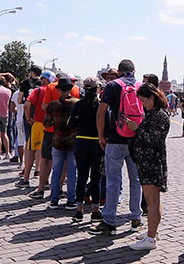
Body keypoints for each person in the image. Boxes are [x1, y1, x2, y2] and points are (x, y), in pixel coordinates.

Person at [92, 60, 143, 235]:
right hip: (136, 140)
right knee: (136, 180)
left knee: (114, 180)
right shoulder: (141, 85)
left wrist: (101, 135)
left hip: (115, 138)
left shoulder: (113, 85)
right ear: (134, 71)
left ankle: (109, 221)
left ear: (119, 71)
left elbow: (101, 113)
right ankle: (136, 217)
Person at [130, 83, 171, 250]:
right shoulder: (153, 113)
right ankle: (152, 231)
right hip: (148, 162)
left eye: (143, 100)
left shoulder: (159, 116)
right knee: (153, 201)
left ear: (152, 98)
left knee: (152, 201)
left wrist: (136, 129)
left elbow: (154, 139)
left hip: (152, 163)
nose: (142, 104)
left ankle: (151, 238)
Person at [68, 77, 104, 223]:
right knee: (96, 179)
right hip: (97, 143)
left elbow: (71, 124)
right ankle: (95, 210)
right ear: (97, 89)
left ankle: (79, 210)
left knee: (81, 177)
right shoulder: (100, 105)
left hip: (81, 142)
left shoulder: (78, 105)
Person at [46, 75, 79, 210]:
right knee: (72, 171)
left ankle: (54, 199)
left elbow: (47, 123)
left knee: (56, 171)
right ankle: (71, 200)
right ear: (70, 89)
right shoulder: (77, 103)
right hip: (73, 141)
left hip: (57, 140)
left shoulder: (53, 105)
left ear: (59, 90)